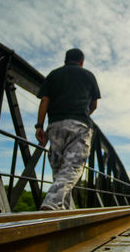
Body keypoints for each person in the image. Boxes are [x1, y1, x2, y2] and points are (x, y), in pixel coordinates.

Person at [35, 48, 101, 210]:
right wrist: (83, 113)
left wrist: (39, 126)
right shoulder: (88, 75)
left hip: (55, 125)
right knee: (73, 167)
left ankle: (62, 210)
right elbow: (94, 105)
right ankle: (51, 202)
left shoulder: (53, 75)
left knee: (58, 169)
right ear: (82, 61)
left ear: (65, 60)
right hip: (79, 125)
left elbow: (44, 100)